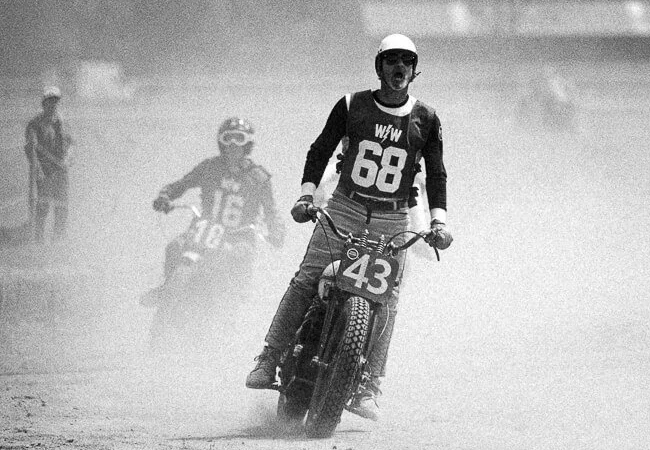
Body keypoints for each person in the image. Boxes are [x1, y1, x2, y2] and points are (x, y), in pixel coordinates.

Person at [246, 34, 452, 420]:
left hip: (393, 219)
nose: (399, 68)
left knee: (387, 300)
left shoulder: (427, 118)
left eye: (406, 61)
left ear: (414, 69)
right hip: (344, 207)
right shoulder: (351, 105)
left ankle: (370, 385)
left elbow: (436, 174)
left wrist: (439, 222)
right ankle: (269, 357)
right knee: (306, 280)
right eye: (391, 60)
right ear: (379, 67)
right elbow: (320, 149)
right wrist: (306, 195)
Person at [144, 116, 284, 303]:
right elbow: (181, 185)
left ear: (247, 145)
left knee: (239, 256)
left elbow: (271, 211)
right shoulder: (209, 167)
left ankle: (232, 304)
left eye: (239, 139)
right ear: (221, 143)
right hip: (204, 229)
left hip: (238, 235)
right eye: (228, 139)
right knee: (174, 246)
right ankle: (167, 288)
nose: (233, 145)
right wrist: (165, 196)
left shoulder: (258, 178)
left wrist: (276, 231)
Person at [24, 85, 74, 243]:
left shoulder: (62, 121)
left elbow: (72, 143)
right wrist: (37, 169)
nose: (53, 105)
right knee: (43, 205)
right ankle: (38, 237)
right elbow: (31, 148)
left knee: (62, 207)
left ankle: (57, 238)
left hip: (61, 170)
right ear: (43, 104)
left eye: (55, 102)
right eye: (49, 102)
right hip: (44, 171)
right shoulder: (35, 124)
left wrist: (68, 159)